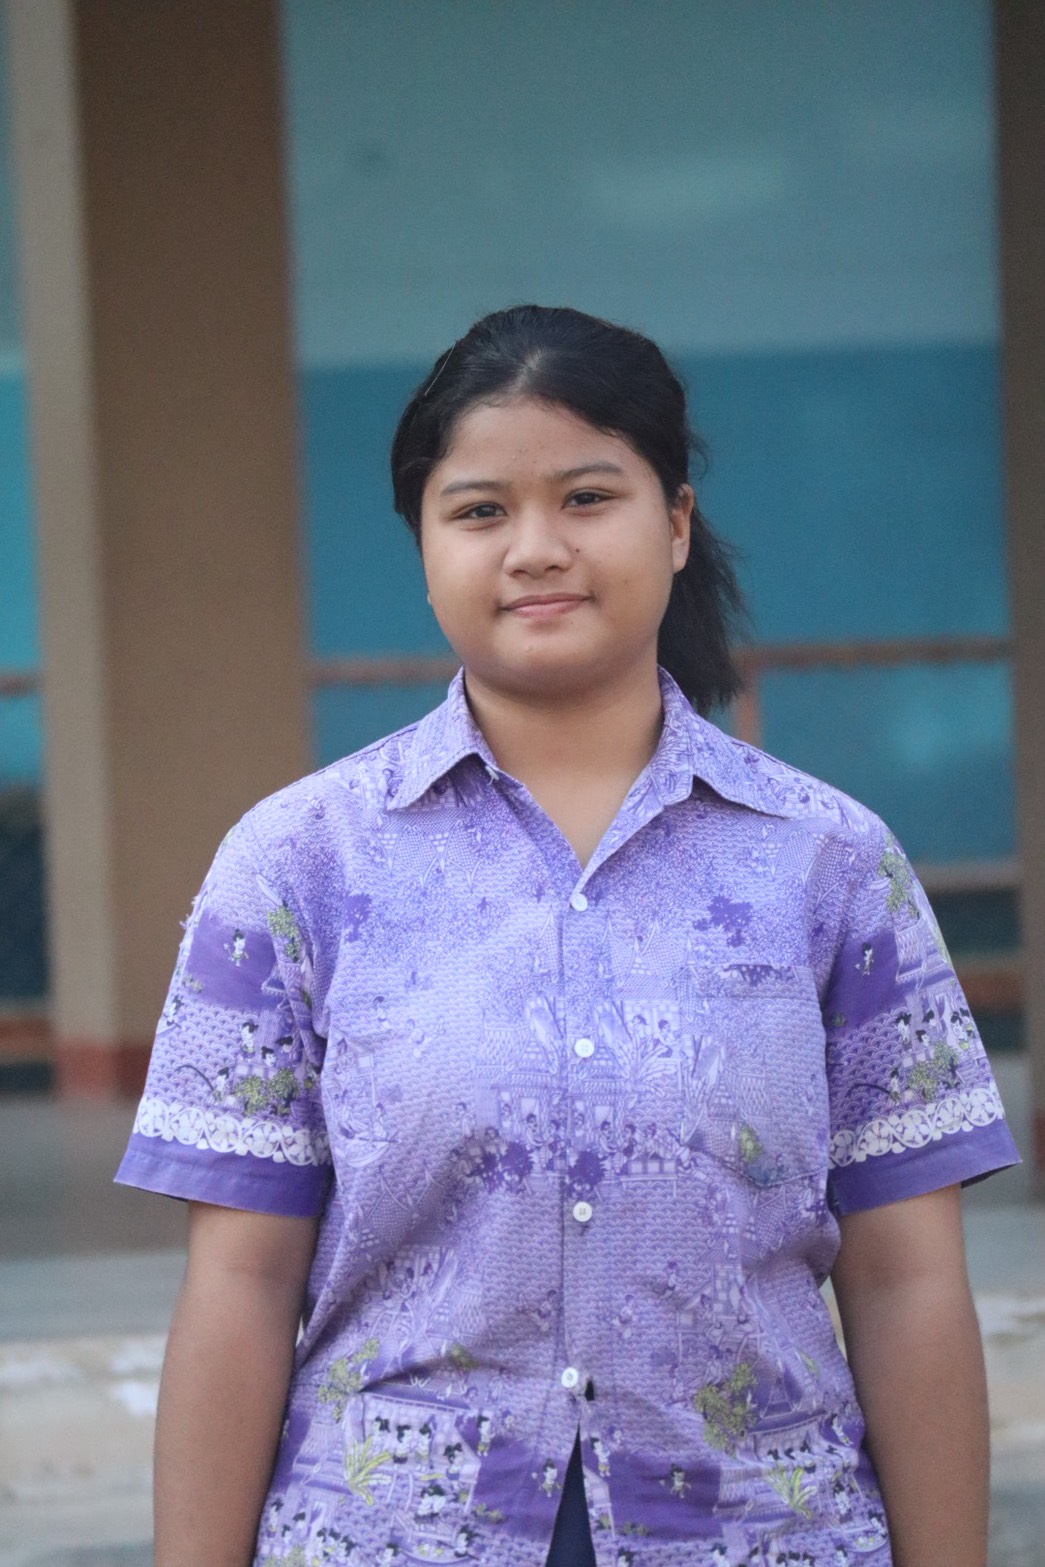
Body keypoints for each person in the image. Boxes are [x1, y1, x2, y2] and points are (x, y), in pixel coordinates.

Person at [117, 304, 1019, 1567]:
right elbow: (240, 1284)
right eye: (480, 510)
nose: (536, 549)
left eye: (587, 497)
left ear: (677, 523)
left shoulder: (830, 863)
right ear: (425, 546)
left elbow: (904, 1279)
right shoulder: (296, 864)